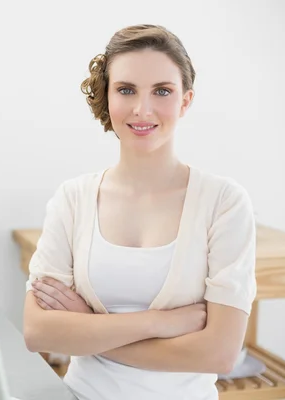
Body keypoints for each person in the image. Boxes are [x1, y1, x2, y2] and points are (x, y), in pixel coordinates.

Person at [23, 24, 257, 400]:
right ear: (107, 96)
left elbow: (219, 353)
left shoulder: (224, 202)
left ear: (185, 100)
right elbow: (37, 332)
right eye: (126, 89)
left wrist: (88, 328)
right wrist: (159, 323)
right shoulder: (73, 199)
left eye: (161, 91)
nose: (141, 109)